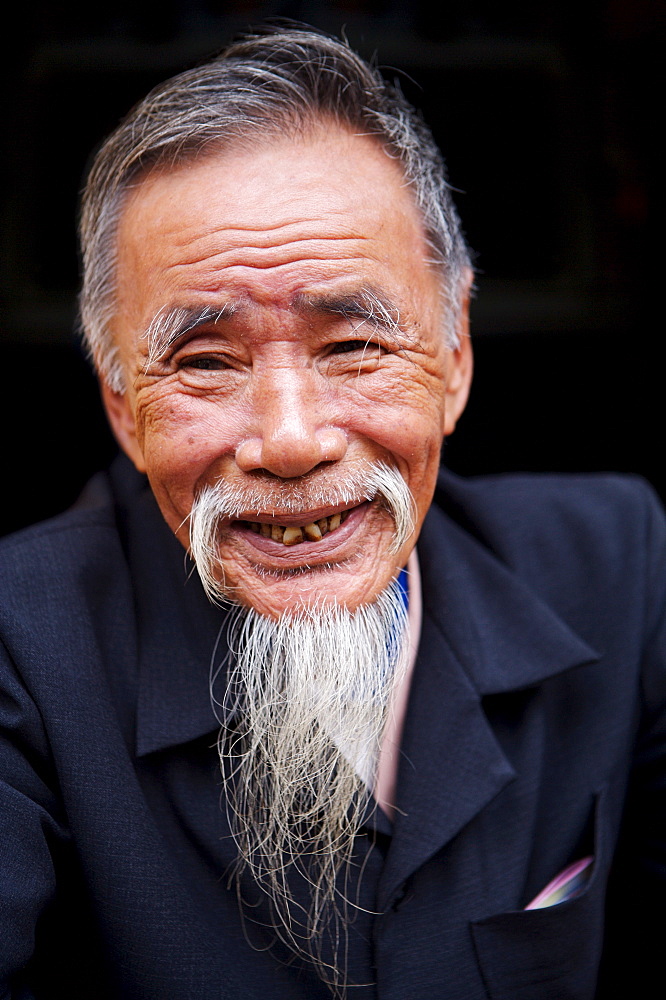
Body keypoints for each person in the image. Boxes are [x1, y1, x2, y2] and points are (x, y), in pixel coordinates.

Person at [0, 24, 664, 1000]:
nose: (292, 438)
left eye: (353, 344)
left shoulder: (618, 568)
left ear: (455, 357)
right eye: (206, 361)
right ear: (119, 406)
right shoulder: (21, 640)